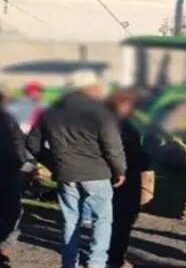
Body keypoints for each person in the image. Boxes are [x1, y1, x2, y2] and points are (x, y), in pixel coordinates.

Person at [27, 70, 126, 268]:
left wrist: (54, 162)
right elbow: (112, 146)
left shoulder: (49, 112)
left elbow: (32, 143)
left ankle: (69, 262)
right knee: (102, 221)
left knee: (69, 220)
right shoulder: (99, 112)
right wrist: (120, 170)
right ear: (89, 88)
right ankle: (96, 263)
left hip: (65, 172)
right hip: (97, 172)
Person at [105, 89, 153, 268]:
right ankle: (115, 258)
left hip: (123, 175)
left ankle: (114, 255)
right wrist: (145, 160)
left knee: (119, 220)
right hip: (123, 177)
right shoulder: (118, 125)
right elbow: (127, 152)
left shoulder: (120, 123)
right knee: (121, 220)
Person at [0, 91, 35, 268]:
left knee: (11, 212)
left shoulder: (8, 119)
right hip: (7, 171)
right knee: (11, 212)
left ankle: (3, 249)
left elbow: (19, 143)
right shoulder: (8, 119)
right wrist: (25, 165)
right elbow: (18, 144)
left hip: (8, 169)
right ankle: (3, 249)